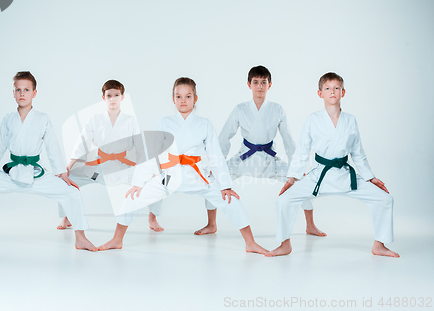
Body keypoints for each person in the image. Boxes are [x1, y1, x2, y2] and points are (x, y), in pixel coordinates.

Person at [98, 77, 268, 254]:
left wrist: (225, 185)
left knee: (231, 200)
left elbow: (215, 154)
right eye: (178, 97)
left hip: (198, 176)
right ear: (173, 99)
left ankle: (250, 242)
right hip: (168, 176)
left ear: (195, 98)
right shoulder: (165, 122)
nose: (183, 101)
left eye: (188, 96)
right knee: (132, 198)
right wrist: (139, 182)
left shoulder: (204, 124)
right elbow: (151, 153)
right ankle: (117, 239)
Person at [0, 71, 97, 252]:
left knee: (72, 193)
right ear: (13, 93)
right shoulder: (8, 119)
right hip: (10, 173)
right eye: (18, 90)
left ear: (34, 93)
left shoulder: (42, 118)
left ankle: (81, 238)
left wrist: (62, 174)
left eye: (26, 89)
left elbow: (52, 147)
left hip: (35, 173)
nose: (22, 94)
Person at [267, 72, 398, 258]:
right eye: (327, 88)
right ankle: (284, 244)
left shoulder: (350, 120)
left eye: (336, 88)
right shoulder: (313, 119)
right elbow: (302, 150)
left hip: (345, 176)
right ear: (320, 93)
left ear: (343, 92)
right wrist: (292, 177)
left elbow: (358, 153)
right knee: (284, 200)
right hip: (319, 175)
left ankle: (379, 245)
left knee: (385, 199)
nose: (332, 92)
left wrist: (371, 177)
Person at [196, 65, 324, 237]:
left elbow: (289, 140)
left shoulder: (277, 109)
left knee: (300, 181)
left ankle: (310, 225)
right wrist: (216, 165)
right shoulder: (240, 109)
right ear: (249, 84)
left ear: (270, 85)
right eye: (256, 82)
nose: (260, 86)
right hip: (244, 158)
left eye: (263, 82)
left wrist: (298, 168)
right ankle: (211, 224)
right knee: (212, 179)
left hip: (270, 160)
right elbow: (224, 138)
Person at [56, 80, 164, 232]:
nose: (113, 99)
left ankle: (153, 216)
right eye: (109, 95)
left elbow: (140, 147)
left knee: (155, 180)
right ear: (103, 97)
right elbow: (83, 142)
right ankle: (67, 216)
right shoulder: (95, 119)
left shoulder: (130, 120)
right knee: (66, 180)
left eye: (116, 95)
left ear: (122, 97)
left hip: (123, 168)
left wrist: (148, 169)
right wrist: (68, 167)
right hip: (98, 169)